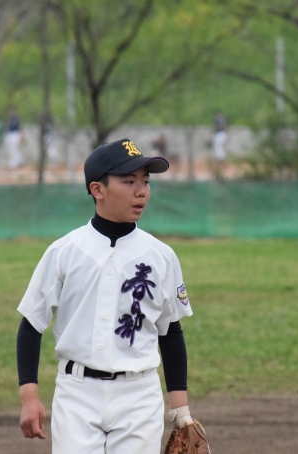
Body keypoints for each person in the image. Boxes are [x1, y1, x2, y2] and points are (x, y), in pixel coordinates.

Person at [16, 138, 196, 453]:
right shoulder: (65, 251)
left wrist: (181, 411)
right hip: (77, 394)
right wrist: (29, 398)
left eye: (145, 181)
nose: (141, 191)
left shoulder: (161, 256)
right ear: (97, 189)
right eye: (129, 181)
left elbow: (170, 331)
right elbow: (31, 324)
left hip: (139, 396)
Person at [212, 110, 228, 178]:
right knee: (221, 148)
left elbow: (214, 127)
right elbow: (225, 126)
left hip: (219, 134)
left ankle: (219, 163)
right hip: (222, 134)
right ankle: (221, 163)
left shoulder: (216, 119)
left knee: (218, 149)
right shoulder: (222, 118)